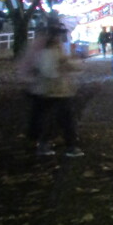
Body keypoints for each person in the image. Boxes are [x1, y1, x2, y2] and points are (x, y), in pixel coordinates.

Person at [19, 22, 83, 157]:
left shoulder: (43, 46)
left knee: (48, 118)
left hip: (45, 89)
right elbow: (50, 69)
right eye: (58, 34)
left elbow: (28, 67)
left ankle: (47, 145)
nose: (59, 37)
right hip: (52, 89)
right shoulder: (47, 48)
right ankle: (68, 146)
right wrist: (69, 65)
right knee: (62, 118)